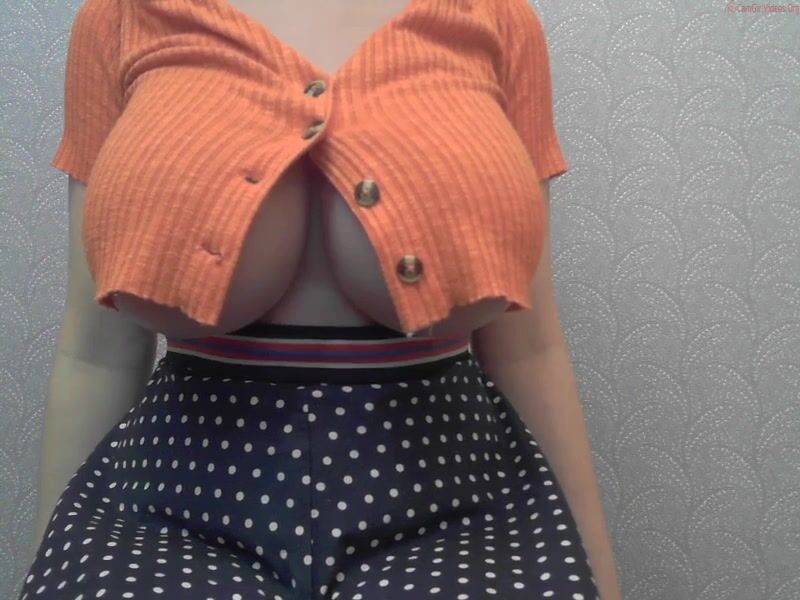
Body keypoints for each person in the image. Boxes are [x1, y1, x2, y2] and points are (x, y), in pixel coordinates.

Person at [19, 0, 621, 598]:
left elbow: (530, 349)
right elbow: (96, 353)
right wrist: (54, 561)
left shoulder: (495, 17)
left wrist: (596, 574)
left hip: (458, 499)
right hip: (168, 504)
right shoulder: (121, 16)